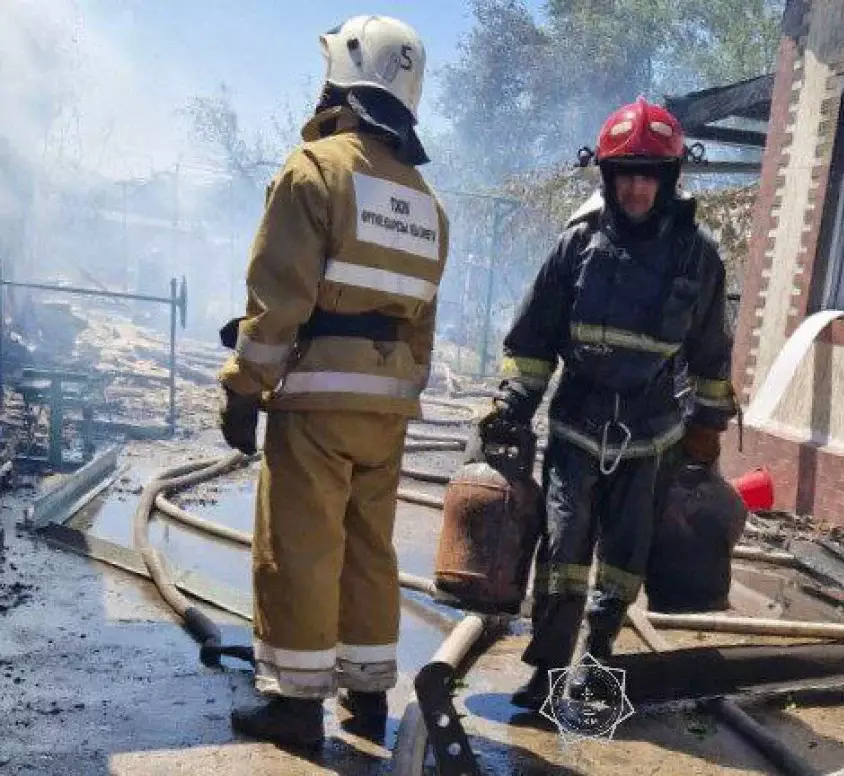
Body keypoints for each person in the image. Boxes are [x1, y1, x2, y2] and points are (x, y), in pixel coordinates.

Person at [216, 14, 448, 749]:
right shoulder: (426, 204)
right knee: (369, 549)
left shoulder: (314, 171)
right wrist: (399, 394)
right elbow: (420, 329)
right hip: (386, 410)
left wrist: (242, 387)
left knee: (302, 546)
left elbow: (278, 298)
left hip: (314, 400)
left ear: (343, 82)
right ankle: (368, 695)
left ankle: (294, 702)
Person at [479, 96, 737, 709]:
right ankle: (545, 672)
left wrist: (707, 429)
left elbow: (710, 352)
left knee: (625, 560)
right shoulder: (577, 246)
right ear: (608, 177)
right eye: (626, 174)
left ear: (669, 178)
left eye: (649, 174)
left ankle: (597, 666)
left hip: (652, 435)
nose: (637, 188)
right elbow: (533, 337)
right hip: (577, 425)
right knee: (564, 551)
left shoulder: (697, 256)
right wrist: (515, 400)